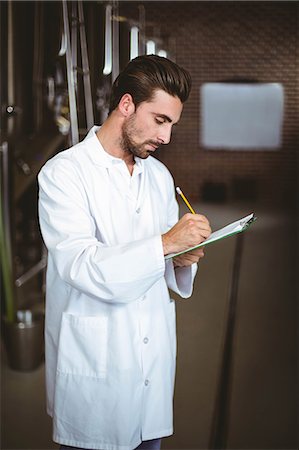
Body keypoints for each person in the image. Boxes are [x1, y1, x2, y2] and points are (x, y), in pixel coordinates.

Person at [38, 55, 211, 450]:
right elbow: (80, 265)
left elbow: (163, 267)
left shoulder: (159, 176)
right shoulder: (65, 174)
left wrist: (182, 259)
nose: (166, 137)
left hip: (152, 367)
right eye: (160, 120)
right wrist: (167, 243)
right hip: (97, 370)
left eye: (172, 125)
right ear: (127, 105)